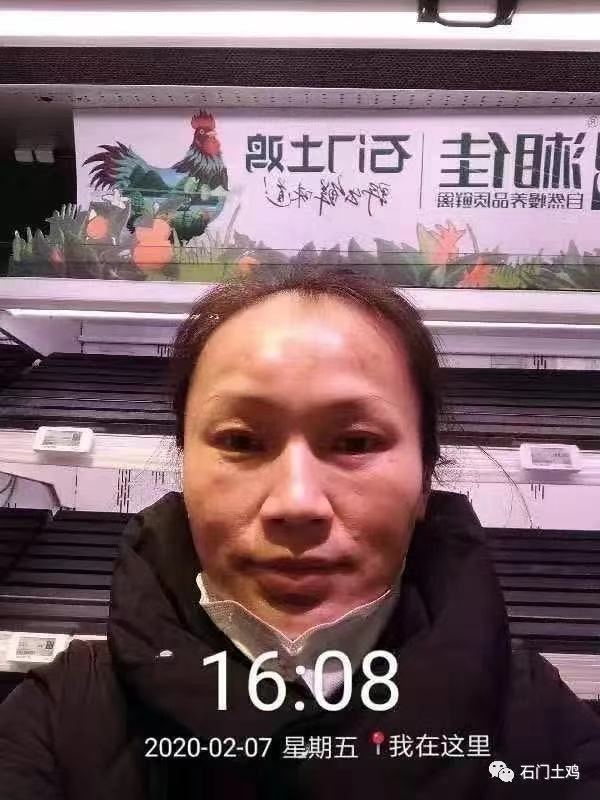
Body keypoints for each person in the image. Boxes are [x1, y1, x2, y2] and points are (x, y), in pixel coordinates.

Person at [0, 264, 599, 799]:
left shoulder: (541, 724)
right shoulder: (59, 721)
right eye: (240, 441)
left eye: (355, 442)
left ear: (424, 481)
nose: (296, 503)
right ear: (185, 467)